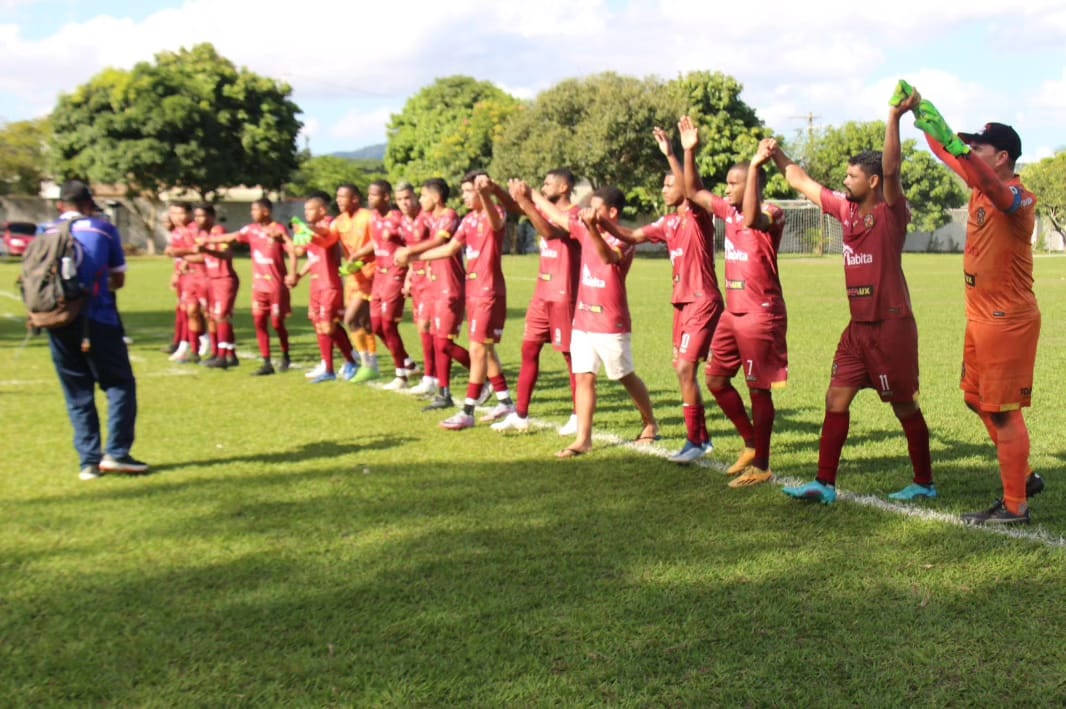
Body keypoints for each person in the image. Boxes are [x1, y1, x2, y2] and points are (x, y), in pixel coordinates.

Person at [771, 90, 934, 504]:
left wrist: (894, 117)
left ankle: (924, 482)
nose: (845, 180)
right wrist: (776, 153)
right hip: (857, 331)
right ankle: (823, 484)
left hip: (891, 327)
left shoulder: (890, 212)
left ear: (873, 182)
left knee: (904, 408)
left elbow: (894, 169)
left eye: (852, 176)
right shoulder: (845, 211)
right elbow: (799, 180)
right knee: (835, 398)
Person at [909, 84, 1043, 525]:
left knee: (1003, 412)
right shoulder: (979, 182)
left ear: (1001, 156)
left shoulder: (1018, 198)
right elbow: (948, 157)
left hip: (1007, 321)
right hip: (981, 316)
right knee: (974, 398)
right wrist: (921, 115)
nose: (968, 151)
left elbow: (991, 185)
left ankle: (1014, 506)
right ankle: (1023, 476)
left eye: (977, 146)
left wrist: (949, 138)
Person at [598, 126, 723, 465]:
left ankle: (697, 440)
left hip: (702, 299)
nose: (665, 188)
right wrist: (600, 223)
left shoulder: (698, 215)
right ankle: (700, 439)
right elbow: (631, 234)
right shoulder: (668, 223)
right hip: (681, 303)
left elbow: (692, 186)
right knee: (682, 369)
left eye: (670, 183)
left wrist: (677, 152)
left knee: (685, 367)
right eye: (664, 183)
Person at [678, 120, 787, 484]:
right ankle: (752, 442)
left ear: (752, 184)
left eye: (733, 183)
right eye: (726, 183)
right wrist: (689, 149)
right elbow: (692, 189)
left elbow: (755, 218)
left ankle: (763, 465)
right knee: (716, 379)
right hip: (732, 312)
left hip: (760, 314)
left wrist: (755, 165)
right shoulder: (727, 212)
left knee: (759, 388)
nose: (726, 189)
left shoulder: (773, 212)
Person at [535, 186, 659, 458]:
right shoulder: (584, 227)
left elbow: (607, 257)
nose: (587, 212)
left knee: (623, 375)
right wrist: (531, 195)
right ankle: (583, 438)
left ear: (612, 212)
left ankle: (650, 422)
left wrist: (591, 229)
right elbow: (556, 215)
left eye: (595, 207)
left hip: (610, 320)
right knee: (583, 376)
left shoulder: (623, 237)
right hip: (583, 318)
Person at [45, 180, 148, 479]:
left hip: (56, 319)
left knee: (77, 391)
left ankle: (88, 462)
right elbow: (119, 279)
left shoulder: (45, 232)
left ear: (60, 205)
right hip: (97, 318)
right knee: (119, 384)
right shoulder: (103, 229)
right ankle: (116, 453)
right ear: (90, 203)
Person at [411, 171, 514, 429]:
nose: (464, 196)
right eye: (464, 192)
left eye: (469, 191)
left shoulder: (496, 212)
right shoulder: (468, 221)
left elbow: (495, 222)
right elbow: (449, 249)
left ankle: (467, 411)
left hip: (489, 291)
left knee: (478, 348)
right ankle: (505, 401)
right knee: (486, 348)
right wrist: (415, 258)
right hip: (473, 290)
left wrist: (486, 193)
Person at [493, 170, 581, 435]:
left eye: (547, 183)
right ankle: (520, 415)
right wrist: (495, 190)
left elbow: (551, 233)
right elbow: (517, 208)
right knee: (528, 350)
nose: (542, 187)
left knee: (571, 357)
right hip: (542, 294)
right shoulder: (544, 209)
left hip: (564, 294)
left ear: (564, 187)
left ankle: (579, 414)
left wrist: (528, 201)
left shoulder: (575, 214)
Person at [395, 178, 474, 412]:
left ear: (436, 198)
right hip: (434, 285)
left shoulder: (449, 216)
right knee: (437, 339)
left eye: (423, 196)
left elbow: (440, 241)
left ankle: (486, 379)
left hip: (450, 287)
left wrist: (409, 252)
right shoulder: (430, 218)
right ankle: (443, 391)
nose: (420, 200)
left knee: (444, 343)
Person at [202, 199, 294, 375]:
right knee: (259, 322)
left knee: (277, 323)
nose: (252, 213)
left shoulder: (278, 229)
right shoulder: (250, 230)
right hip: (259, 287)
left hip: (276, 286)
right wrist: (209, 240)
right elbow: (231, 237)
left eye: (255, 209)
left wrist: (292, 272)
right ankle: (266, 362)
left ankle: (285, 355)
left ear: (266, 211)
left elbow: (290, 248)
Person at [341, 180, 417, 389]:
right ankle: (408, 363)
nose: (370, 198)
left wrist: (410, 273)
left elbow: (411, 246)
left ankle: (401, 375)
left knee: (388, 324)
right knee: (376, 326)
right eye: (369, 194)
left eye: (374, 195)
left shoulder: (398, 219)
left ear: (386, 197)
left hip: (395, 274)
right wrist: (359, 255)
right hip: (380, 276)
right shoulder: (374, 217)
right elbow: (376, 243)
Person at [286, 193, 358, 383]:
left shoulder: (330, 224)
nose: (306, 213)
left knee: (328, 325)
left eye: (310, 209)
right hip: (316, 285)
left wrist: (306, 228)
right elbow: (311, 256)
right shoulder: (311, 232)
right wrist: (300, 275)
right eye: (305, 210)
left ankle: (351, 359)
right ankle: (328, 367)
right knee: (320, 325)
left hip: (329, 284)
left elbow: (325, 235)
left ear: (322, 210)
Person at [395, 181, 438, 396]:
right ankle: (432, 375)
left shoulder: (427, 218)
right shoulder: (403, 222)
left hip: (432, 279)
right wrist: (409, 277)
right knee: (423, 328)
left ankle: (432, 376)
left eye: (408, 198)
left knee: (426, 326)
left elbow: (437, 245)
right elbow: (412, 257)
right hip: (418, 281)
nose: (405, 203)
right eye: (400, 199)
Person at [332, 184, 378, 381]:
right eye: (338, 197)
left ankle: (367, 363)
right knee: (364, 323)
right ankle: (372, 365)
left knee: (350, 319)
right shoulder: (339, 221)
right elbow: (327, 238)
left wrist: (360, 255)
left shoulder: (367, 217)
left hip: (370, 275)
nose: (339, 200)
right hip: (352, 278)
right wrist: (309, 232)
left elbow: (378, 241)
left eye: (344, 197)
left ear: (355, 199)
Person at [192, 204, 239, 369]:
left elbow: (226, 255)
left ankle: (222, 356)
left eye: (202, 216)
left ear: (211, 217)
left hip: (224, 279)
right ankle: (229, 354)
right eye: (196, 216)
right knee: (214, 316)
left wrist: (206, 250)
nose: (198, 219)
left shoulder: (219, 232)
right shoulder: (203, 234)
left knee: (220, 316)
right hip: (212, 279)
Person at [164, 201, 210, 363]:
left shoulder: (195, 229)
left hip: (200, 275)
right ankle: (189, 345)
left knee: (199, 311)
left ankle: (210, 343)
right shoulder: (176, 231)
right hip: (185, 276)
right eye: (173, 213)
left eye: (179, 213)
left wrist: (178, 252)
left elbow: (200, 252)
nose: (175, 217)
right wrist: (176, 273)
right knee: (187, 310)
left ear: (189, 214)